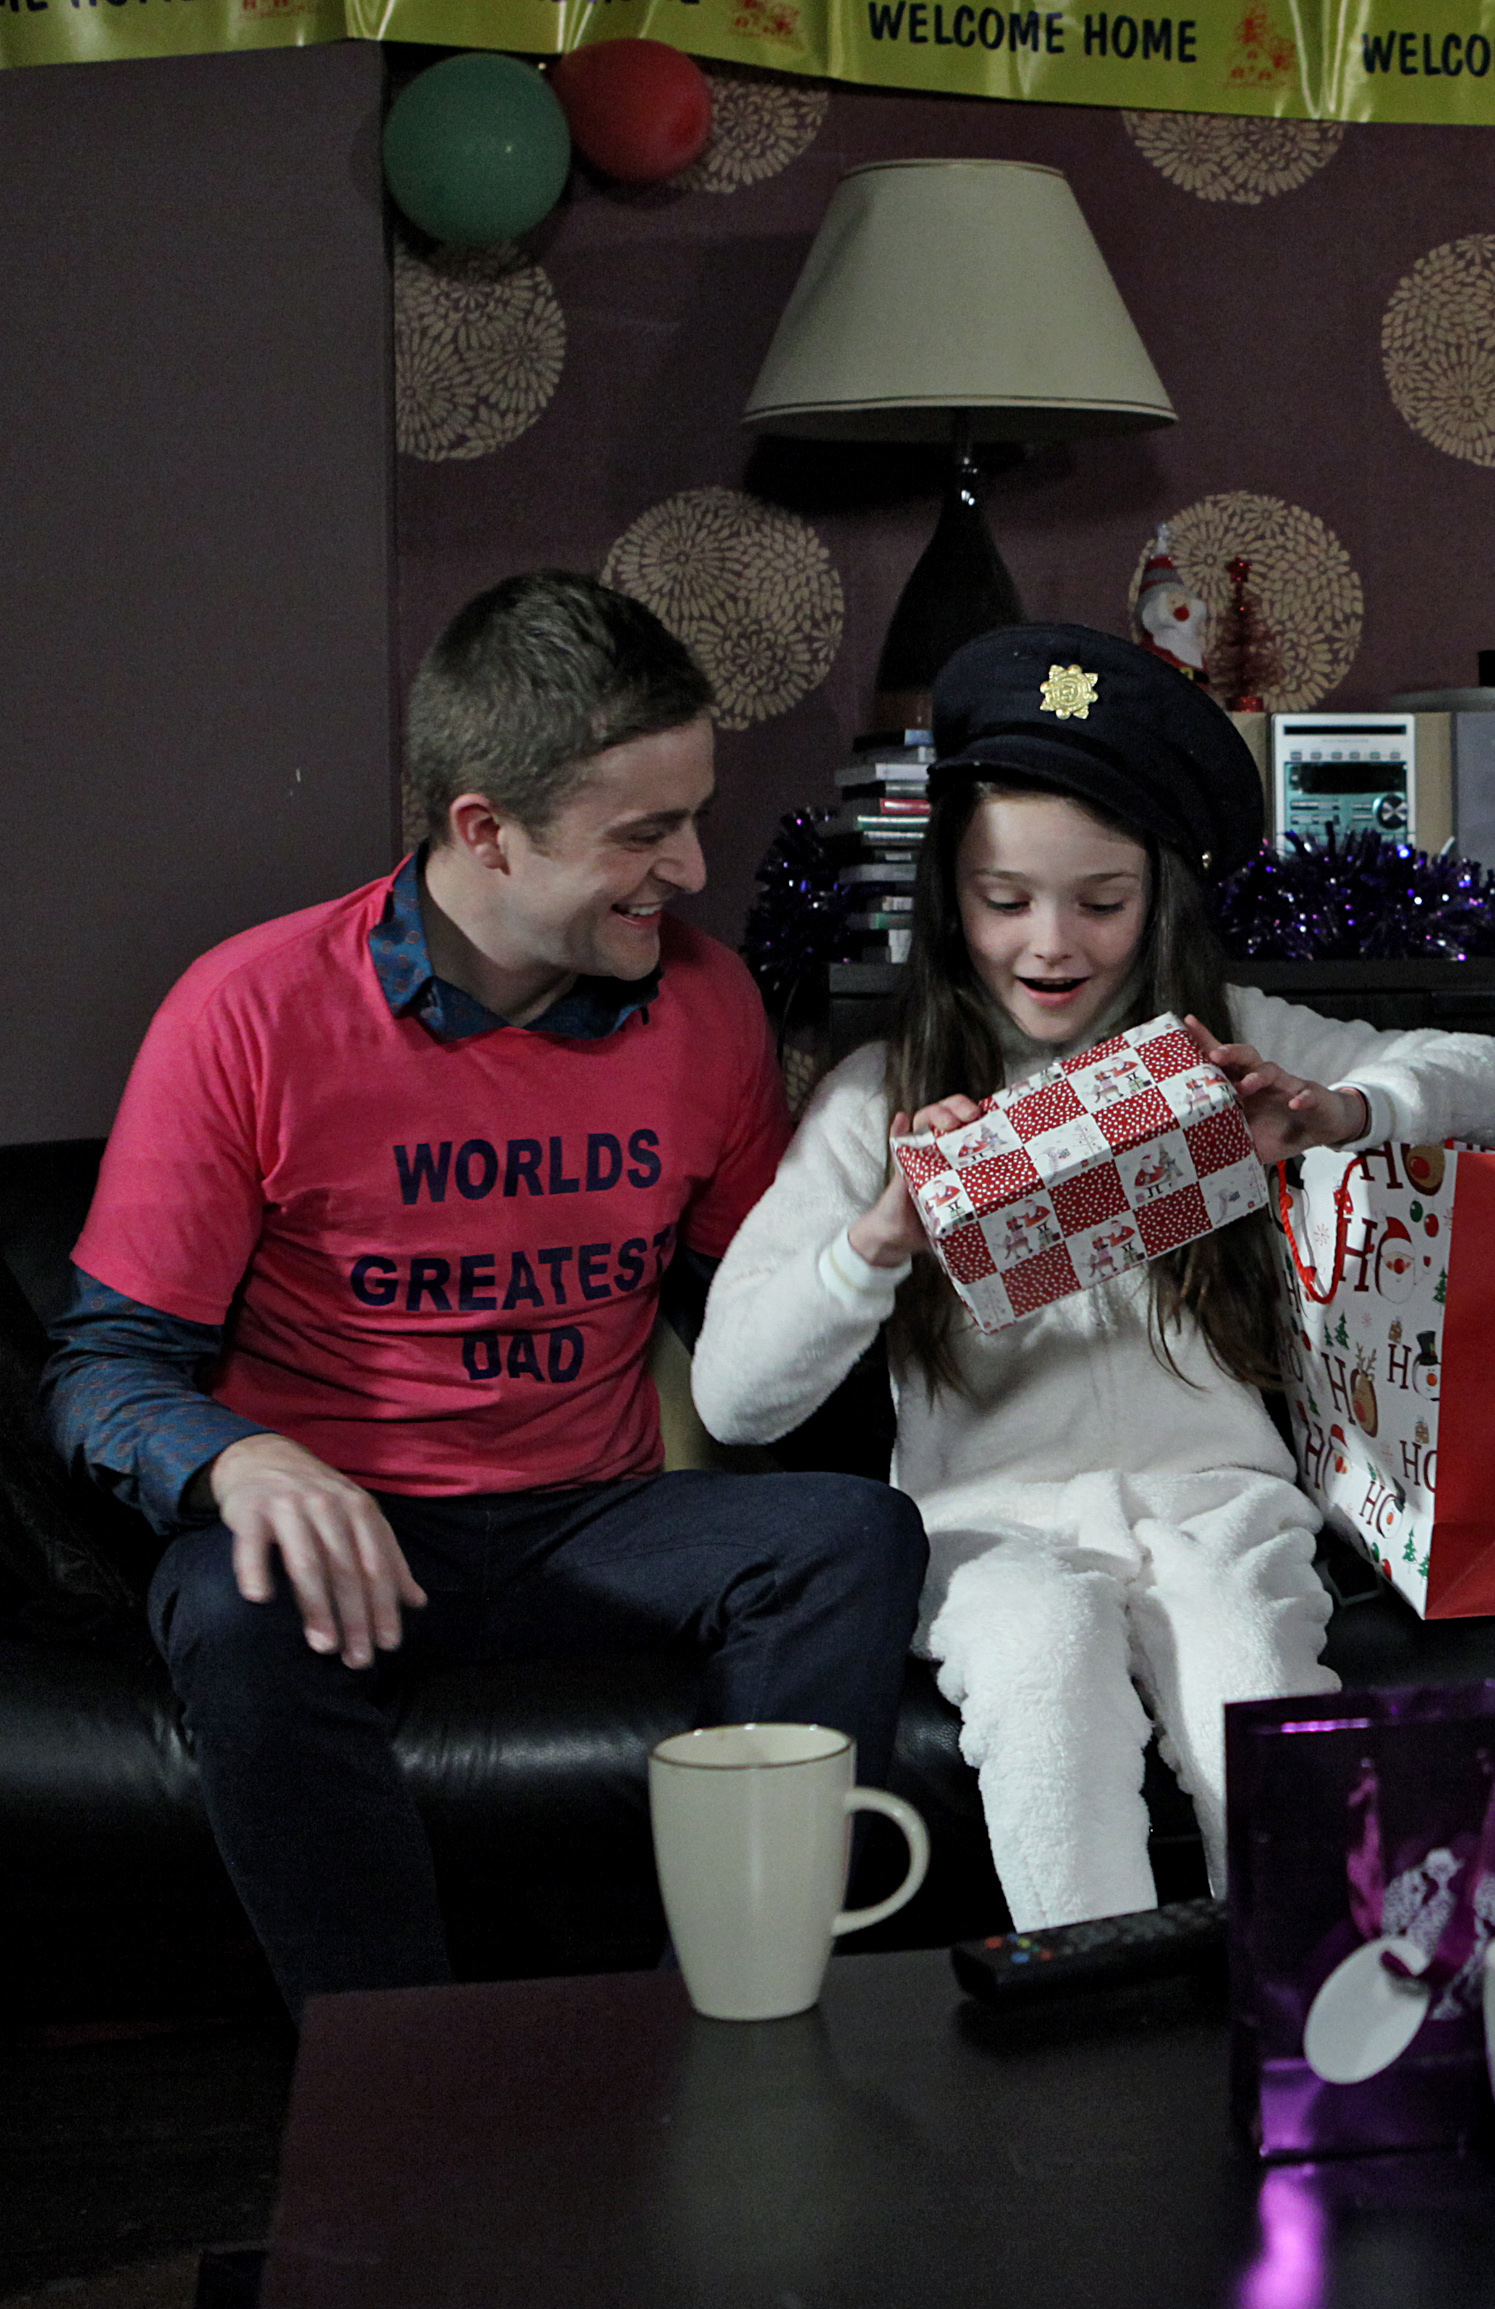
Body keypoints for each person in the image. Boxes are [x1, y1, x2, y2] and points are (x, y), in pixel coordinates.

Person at [44, 572, 929, 2009]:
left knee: (851, 1536)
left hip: (596, 1518)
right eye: (642, 833)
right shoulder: (247, 1012)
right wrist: (239, 1461)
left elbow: (760, 1324)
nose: (692, 867)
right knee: (223, 1596)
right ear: (485, 831)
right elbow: (100, 1368)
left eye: (693, 816)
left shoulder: (706, 1003)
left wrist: (931, 1253)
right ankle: (399, 2069)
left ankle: (727, 2032)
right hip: (356, 1531)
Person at [692, 624, 1495, 1930]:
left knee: (1250, 1675)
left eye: (1100, 902)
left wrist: (1339, 1111)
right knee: (1043, 1667)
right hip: (987, 1529)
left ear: (1159, 898)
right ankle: (1093, 2008)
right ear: (950, 897)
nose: (1050, 944)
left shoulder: (1233, 1038)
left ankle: (1298, 2006)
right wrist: (878, 1240)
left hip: (1221, 1504)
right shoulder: (882, 1097)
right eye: (1004, 900)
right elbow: (731, 1395)